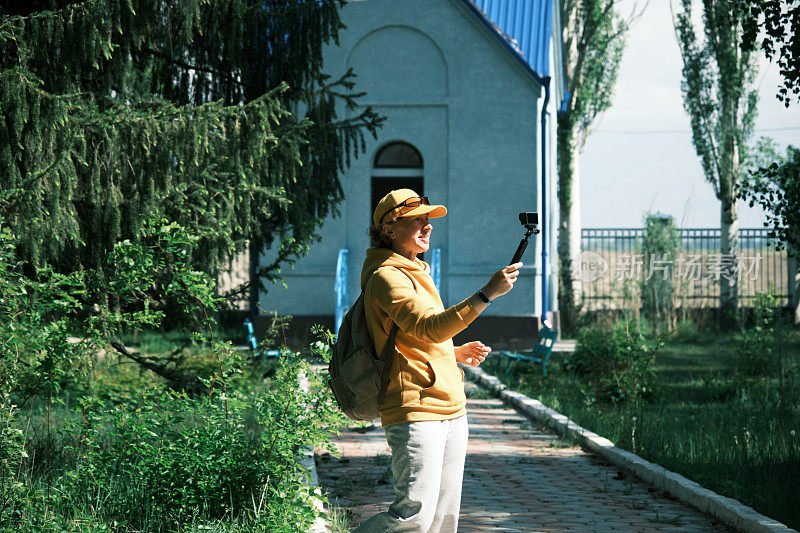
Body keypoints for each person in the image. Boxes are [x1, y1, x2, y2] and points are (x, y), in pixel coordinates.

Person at [355, 188, 522, 532]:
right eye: (416, 220)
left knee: (443, 520)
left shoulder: (416, 270)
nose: (427, 226)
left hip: (451, 406)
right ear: (388, 229)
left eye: (427, 219)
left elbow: (412, 338)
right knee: (413, 517)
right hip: (415, 408)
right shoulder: (387, 276)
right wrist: (486, 293)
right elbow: (429, 326)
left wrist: (454, 353)